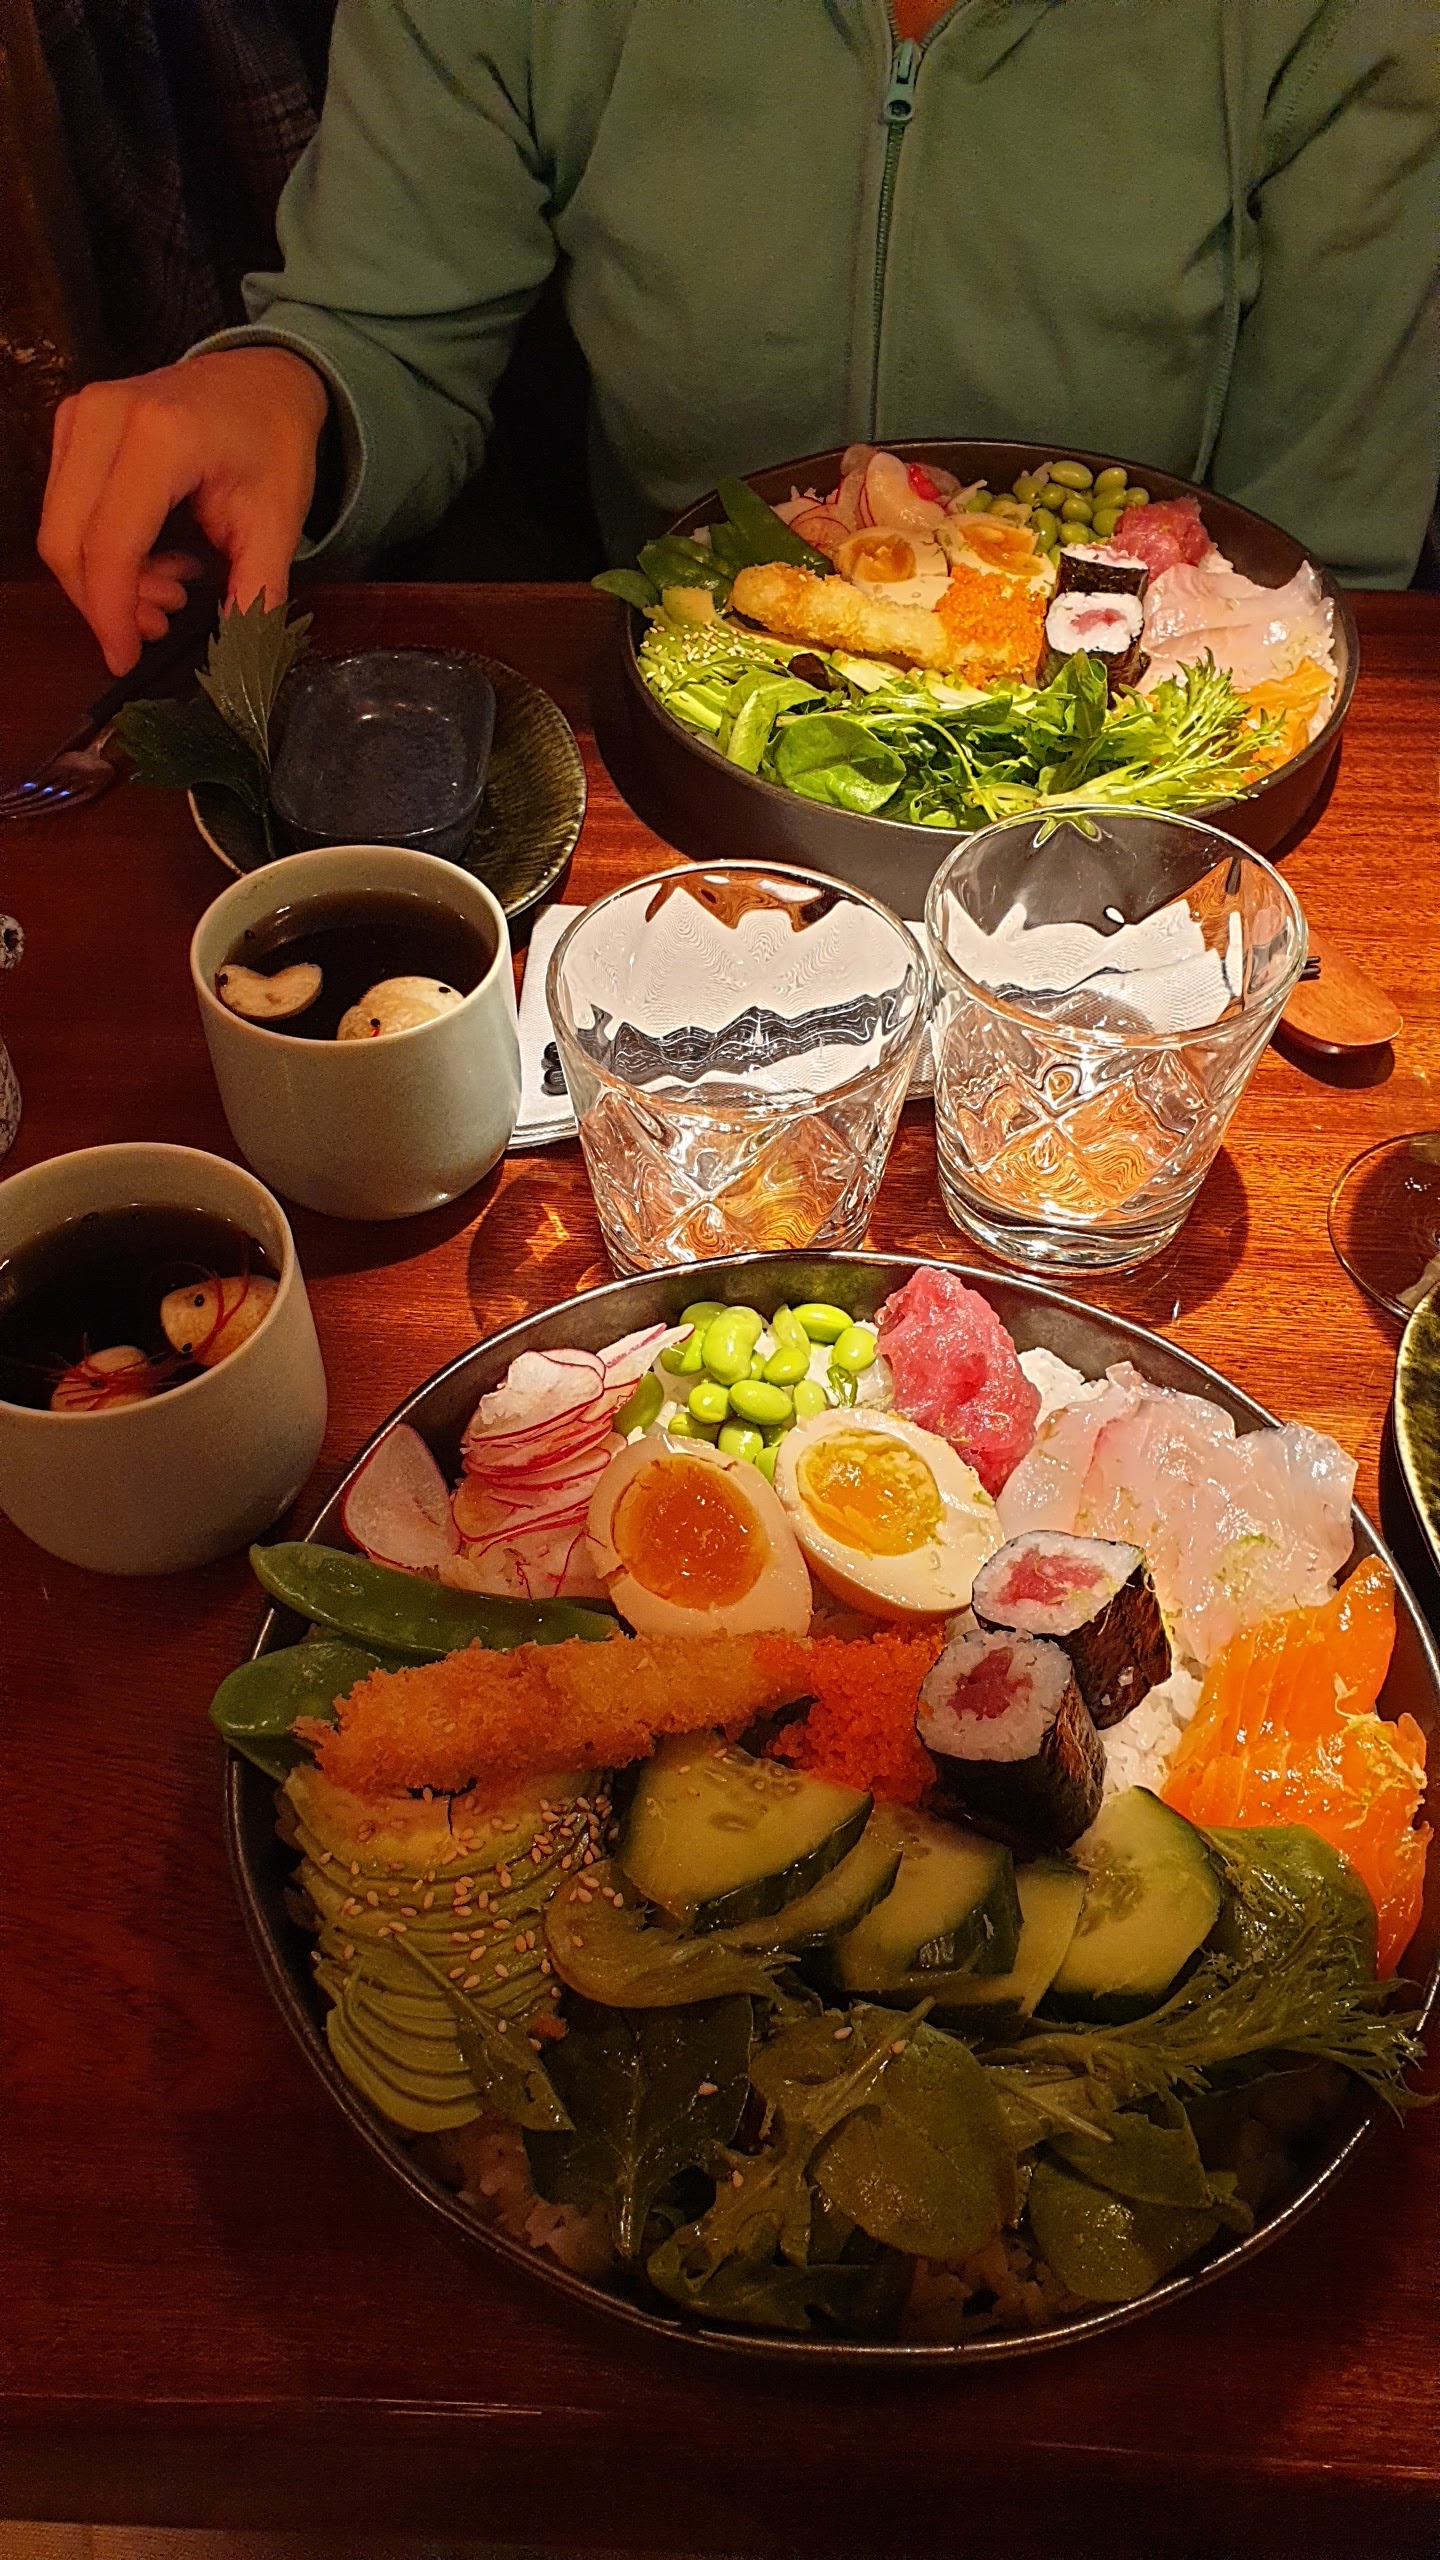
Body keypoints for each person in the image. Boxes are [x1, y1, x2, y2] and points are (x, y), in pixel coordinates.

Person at [38, 0, 1440, 675]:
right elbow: (388, 330)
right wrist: (289, 388)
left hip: (1136, 767)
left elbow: (1320, 569)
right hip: (684, 732)